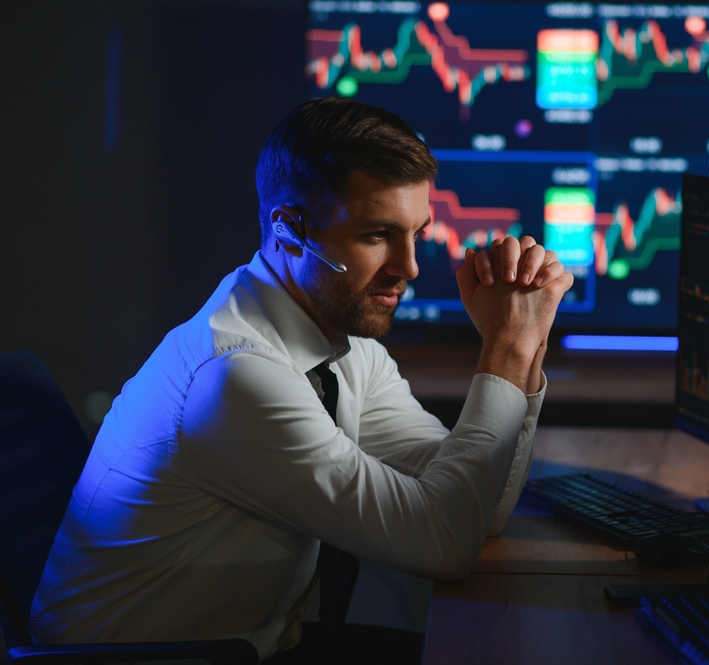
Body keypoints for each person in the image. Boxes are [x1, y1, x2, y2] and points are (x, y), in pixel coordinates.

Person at [29, 97, 573, 662]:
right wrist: (505, 349)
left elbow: (473, 509)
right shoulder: (235, 378)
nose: (409, 266)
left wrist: (526, 348)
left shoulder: (345, 347)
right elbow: (446, 541)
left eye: (417, 233)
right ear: (290, 231)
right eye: (377, 235)